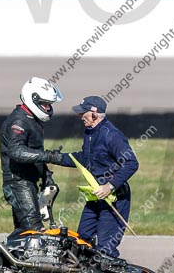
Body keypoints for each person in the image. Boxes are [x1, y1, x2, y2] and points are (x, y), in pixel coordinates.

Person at [51, 96, 138, 257]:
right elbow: (84, 159)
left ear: (94, 113)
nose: (80, 116)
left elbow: (131, 163)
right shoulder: (90, 133)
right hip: (95, 198)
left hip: (115, 198)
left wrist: (109, 186)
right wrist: (54, 158)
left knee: (105, 248)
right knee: (82, 240)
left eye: (82, 113)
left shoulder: (111, 135)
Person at [0, 77, 64, 245]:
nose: (48, 108)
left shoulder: (31, 119)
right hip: (18, 183)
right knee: (34, 230)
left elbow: (34, 151)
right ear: (32, 99)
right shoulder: (19, 121)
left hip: (27, 182)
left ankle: (14, 261)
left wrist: (45, 174)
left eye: (50, 104)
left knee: (23, 230)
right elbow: (16, 151)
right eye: (45, 104)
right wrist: (49, 156)